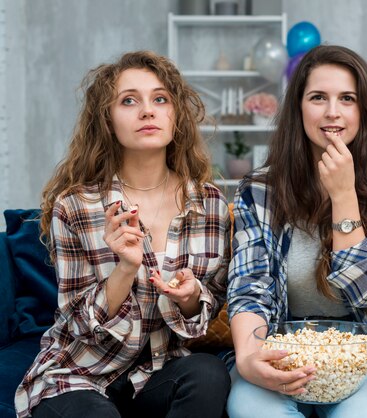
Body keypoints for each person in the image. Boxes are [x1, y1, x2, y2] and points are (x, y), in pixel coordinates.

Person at [14, 51, 231, 418]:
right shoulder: (76, 207)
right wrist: (125, 269)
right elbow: (79, 325)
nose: (147, 111)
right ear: (107, 120)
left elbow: (203, 317)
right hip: (79, 374)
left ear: (175, 115)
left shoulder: (210, 205)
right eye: (128, 100)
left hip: (157, 374)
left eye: (160, 99)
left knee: (208, 374)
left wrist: (192, 296)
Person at [226, 45, 367, 418]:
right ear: (299, 108)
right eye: (318, 98)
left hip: (357, 352)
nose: (333, 112)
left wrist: (344, 196)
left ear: (365, 111)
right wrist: (249, 359)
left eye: (347, 98)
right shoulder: (260, 191)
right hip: (278, 348)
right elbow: (250, 286)